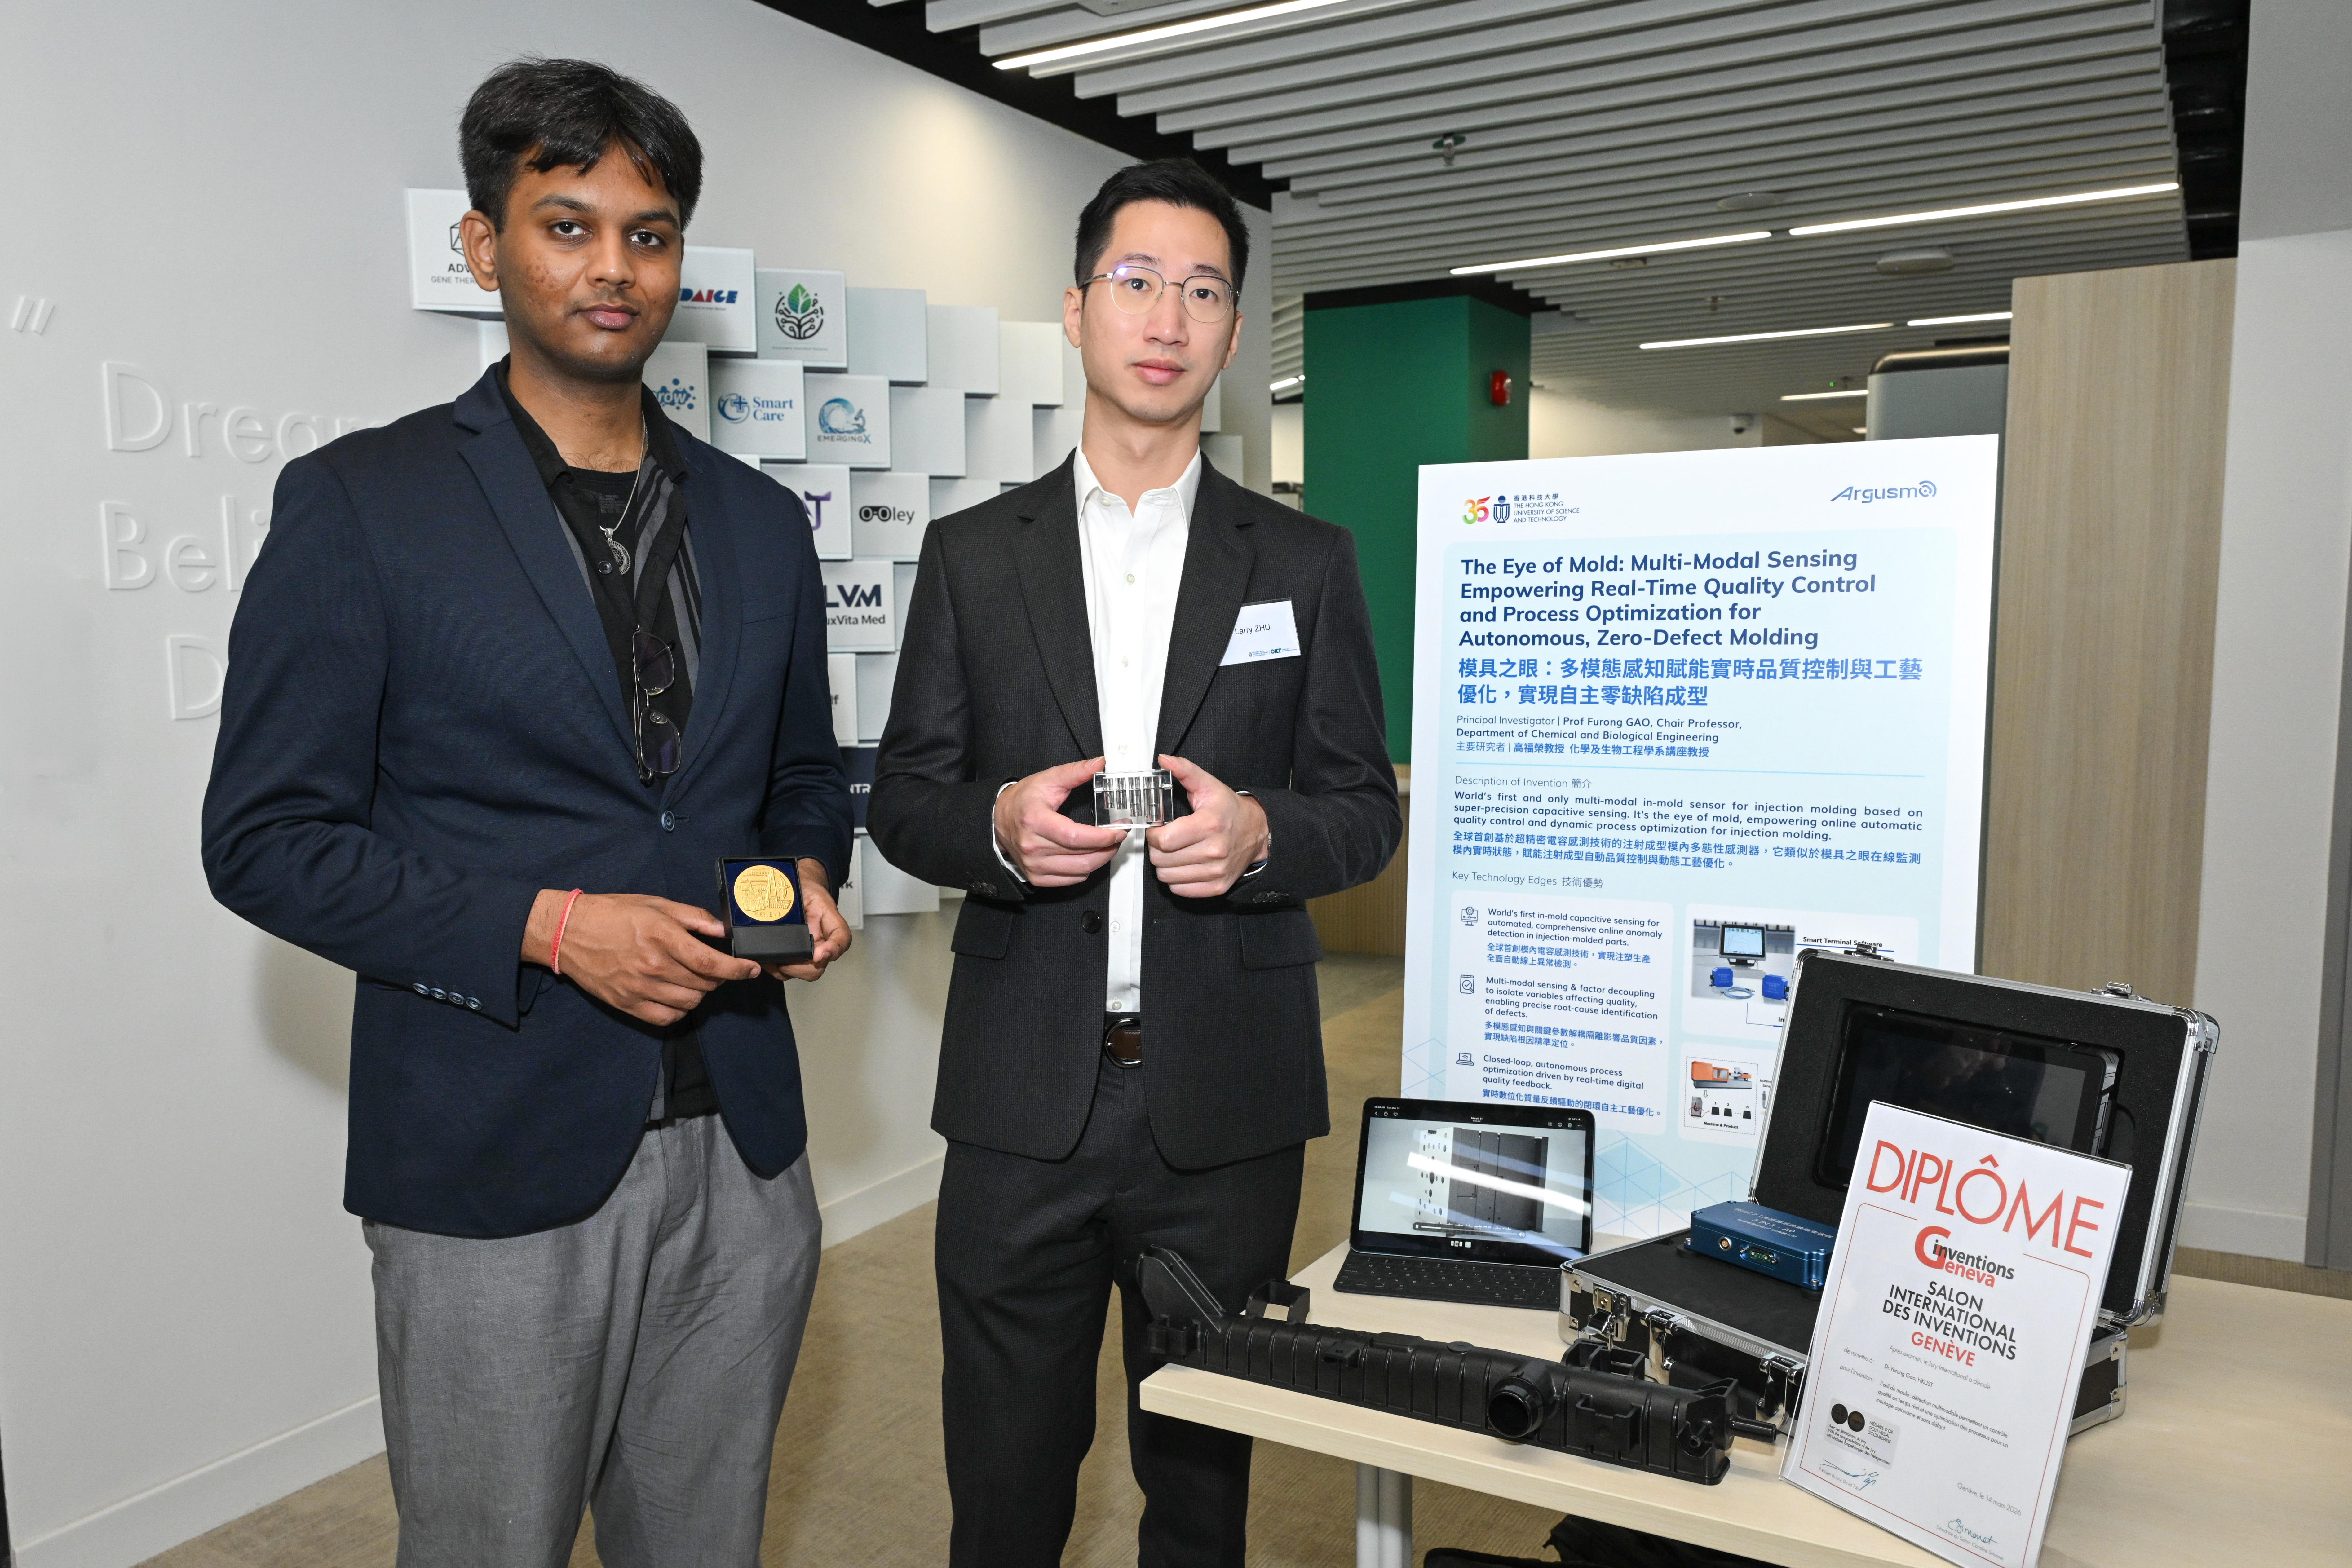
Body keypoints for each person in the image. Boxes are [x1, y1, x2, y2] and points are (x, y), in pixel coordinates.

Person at [200, 58, 851, 1567]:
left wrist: (806, 874)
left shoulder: (759, 522)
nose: (613, 268)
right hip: (491, 1160)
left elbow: (803, 776)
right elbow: (264, 840)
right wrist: (552, 929)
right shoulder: (363, 503)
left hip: (744, 1158)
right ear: (485, 246)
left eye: (649, 232)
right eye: (567, 225)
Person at [868, 159, 1402, 1568]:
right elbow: (904, 800)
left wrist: (1262, 832)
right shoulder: (975, 557)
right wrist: (994, 826)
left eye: (1204, 290)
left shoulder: (1305, 559)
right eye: (1136, 280)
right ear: (1076, 308)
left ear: (1232, 338)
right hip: (1016, 1096)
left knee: (1201, 1490)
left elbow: (1363, 808)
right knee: (1002, 1483)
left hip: (1222, 1099)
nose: (1167, 315)